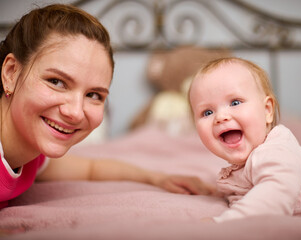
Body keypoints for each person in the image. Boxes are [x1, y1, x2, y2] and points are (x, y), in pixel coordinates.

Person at [0, 3, 214, 210]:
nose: (74, 112)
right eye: (56, 82)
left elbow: (91, 169)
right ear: (10, 73)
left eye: (93, 95)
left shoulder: (31, 157)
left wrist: (158, 178)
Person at [188, 57, 301, 223]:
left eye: (235, 102)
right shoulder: (248, 163)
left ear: (267, 110)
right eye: (207, 112)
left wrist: (223, 223)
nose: (221, 117)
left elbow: (273, 196)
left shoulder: (274, 152)